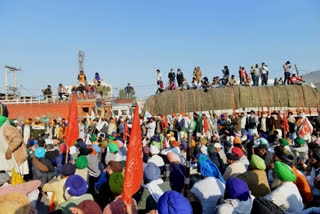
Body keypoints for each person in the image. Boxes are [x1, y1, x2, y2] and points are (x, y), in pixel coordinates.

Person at [0, 103, 29, 176]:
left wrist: (9, 151)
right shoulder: (6, 124)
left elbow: (17, 139)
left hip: (11, 160)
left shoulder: (6, 125)